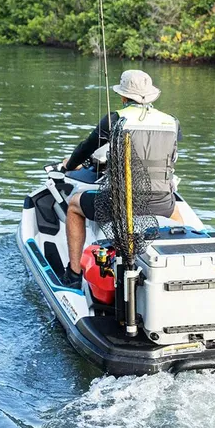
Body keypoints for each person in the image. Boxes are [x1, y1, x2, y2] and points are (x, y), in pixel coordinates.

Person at [60, 70, 182, 288]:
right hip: (162, 201)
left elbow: (85, 149)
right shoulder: (171, 122)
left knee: (74, 205)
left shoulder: (116, 119)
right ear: (151, 96)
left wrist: (69, 166)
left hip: (122, 204)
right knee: (178, 217)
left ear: (124, 97)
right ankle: (175, 269)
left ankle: (74, 273)